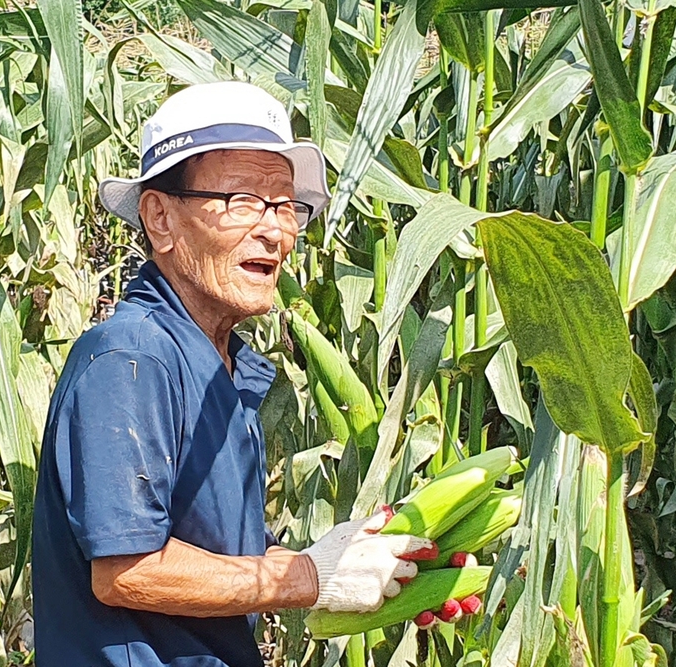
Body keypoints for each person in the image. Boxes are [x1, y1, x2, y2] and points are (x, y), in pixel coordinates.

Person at [31, 81, 433, 667]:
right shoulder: (131, 360)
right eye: (243, 200)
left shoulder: (224, 367)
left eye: (287, 205)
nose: (277, 231)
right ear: (160, 218)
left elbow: (213, 555)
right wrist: (304, 579)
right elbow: (127, 572)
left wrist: (353, 566)